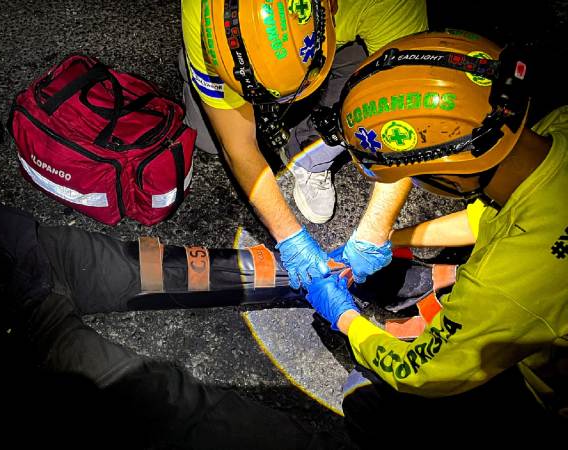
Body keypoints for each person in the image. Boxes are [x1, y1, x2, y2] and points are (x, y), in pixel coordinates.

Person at [0, 25, 339, 448]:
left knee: (179, 270)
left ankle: (326, 277)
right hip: (13, 329)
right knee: (169, 400)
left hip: (39, 253)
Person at [305, 30, 566, 443]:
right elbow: (493, 217)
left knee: (365, 397)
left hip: (549, 392)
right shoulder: (557, 130)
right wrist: (391, 240)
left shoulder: (510, 281)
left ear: (447, 173)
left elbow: (421, 372)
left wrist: (345, 317)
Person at [178, 0, 427, 299]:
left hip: (348, 38)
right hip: (232, 51)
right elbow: (237, 145)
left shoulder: (389, 6)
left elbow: (405, 126)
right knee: (209, 139)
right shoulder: (205, 13)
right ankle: (204, 68)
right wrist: (290, 237)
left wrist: (375, 231)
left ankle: (311, 148)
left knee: (365, 79)